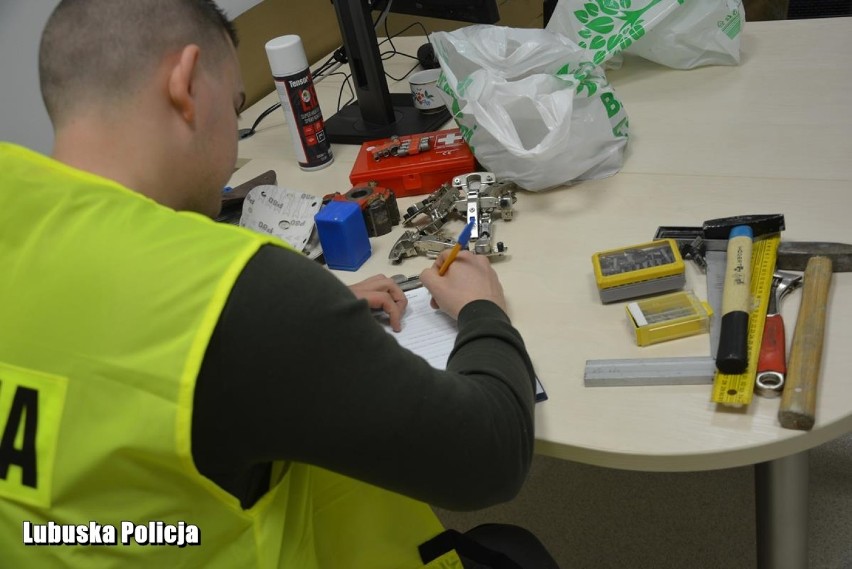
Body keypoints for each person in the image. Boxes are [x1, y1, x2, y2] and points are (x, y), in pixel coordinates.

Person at [0, 1, 558, 567]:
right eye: (236, 106)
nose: (235, 145)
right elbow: (490, 456)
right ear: (187, 84)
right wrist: (484, 311)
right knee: (516, 552)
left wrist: (308, 317)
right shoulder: (234, 293)